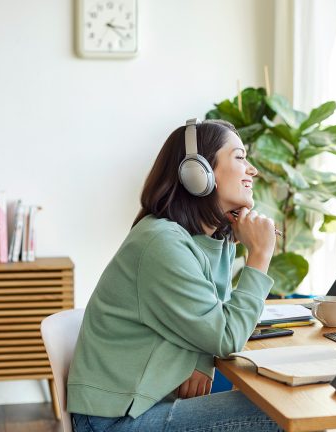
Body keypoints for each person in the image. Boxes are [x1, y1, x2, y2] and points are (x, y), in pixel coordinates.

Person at [67, 119, 284, 432]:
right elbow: (226, 336)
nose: (252, 170)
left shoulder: (212, 239)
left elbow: (211, 317)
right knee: (279, 413)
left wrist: (201, 359)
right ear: (198, 172)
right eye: (239, 157)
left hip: (149, 400)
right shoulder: (161, 242)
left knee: (281, 400)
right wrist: (260, 255)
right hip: (114, 420)